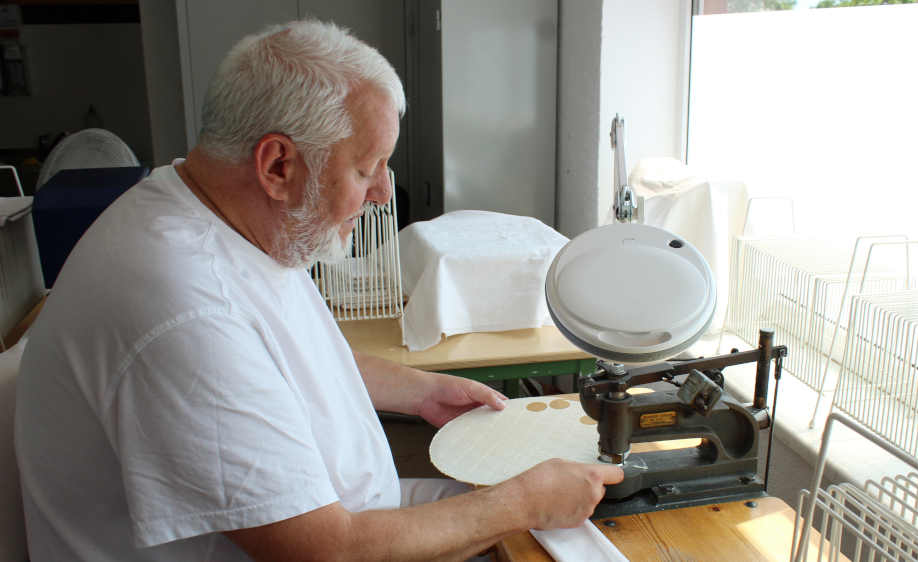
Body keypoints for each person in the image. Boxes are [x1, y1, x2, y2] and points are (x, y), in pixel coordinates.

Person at [14, 19, 622, 561]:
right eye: (366, 168)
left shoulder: (214, 209)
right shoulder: (185, 308)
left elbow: (281, 355)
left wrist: (420, 390)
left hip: (341, 514)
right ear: (278, 166)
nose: (384, 192)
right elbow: (323, 550)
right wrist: (522, 505)